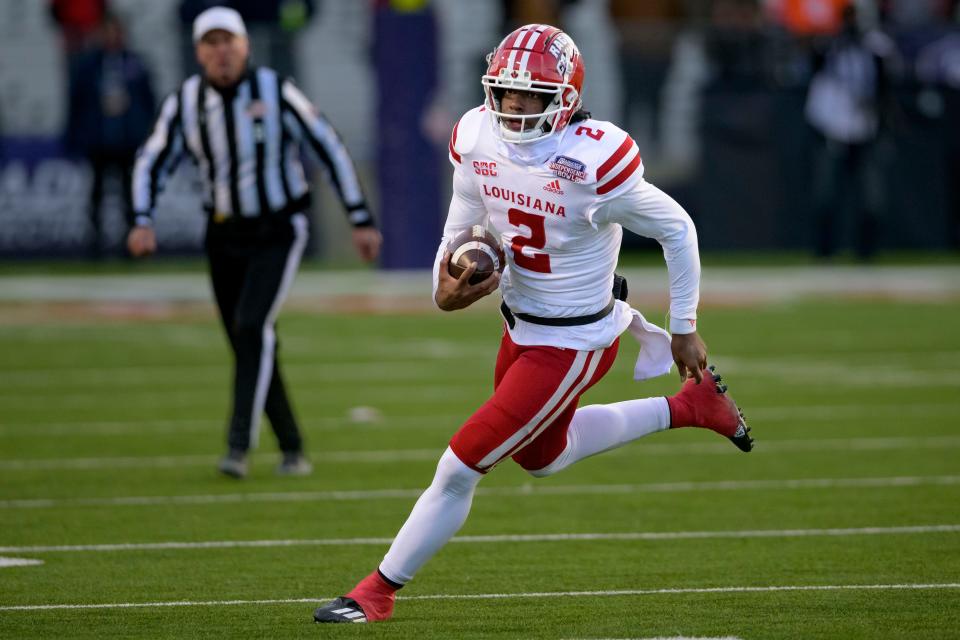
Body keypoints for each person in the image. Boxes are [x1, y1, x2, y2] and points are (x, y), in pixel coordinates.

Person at [313, 23, 751, 624]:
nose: (514, 108)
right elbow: (460, 221)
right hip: (518, 326)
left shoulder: (595, 158)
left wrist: (684, 325)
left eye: (532, 96)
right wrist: (443, 285)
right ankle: (691, 407)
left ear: (565, 98)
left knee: (461, 464)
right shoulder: (475, 135)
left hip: (574, 341)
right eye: (506, 93)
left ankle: (376, 592)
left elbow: (677, 228)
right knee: (543, 457)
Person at [127, 6, 381, 479]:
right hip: (223, 231)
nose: (222, 51)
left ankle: (238, 445)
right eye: (211, 43)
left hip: (278, 228)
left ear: (245, 45)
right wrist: (142, 218)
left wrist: (359, 217)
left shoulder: (275, 89)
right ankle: (292, 445)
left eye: (229, 41)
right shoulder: (185, 100)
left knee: (250, 328)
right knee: (248, 339)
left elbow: (328, 144)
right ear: (199, 51)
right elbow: (152, 159)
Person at [804, 4, 895, 259]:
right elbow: (813, 64)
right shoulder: (829, 45)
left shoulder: (876, 47)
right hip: (831, 127)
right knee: (826, 194)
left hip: (865, 129)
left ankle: (867, 252)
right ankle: (824, 252)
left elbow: (885, 80)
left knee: (871, 196)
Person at [65, 13, 156, 258]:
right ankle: (95, 245)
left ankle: (132, 244)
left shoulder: (135, 63)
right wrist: (74, 137)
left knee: (130, 195)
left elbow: (148, 102)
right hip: (99, 140)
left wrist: (147, 135)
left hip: (128, 140)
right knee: (97, 195)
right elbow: (77, 102)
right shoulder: (89, 65)